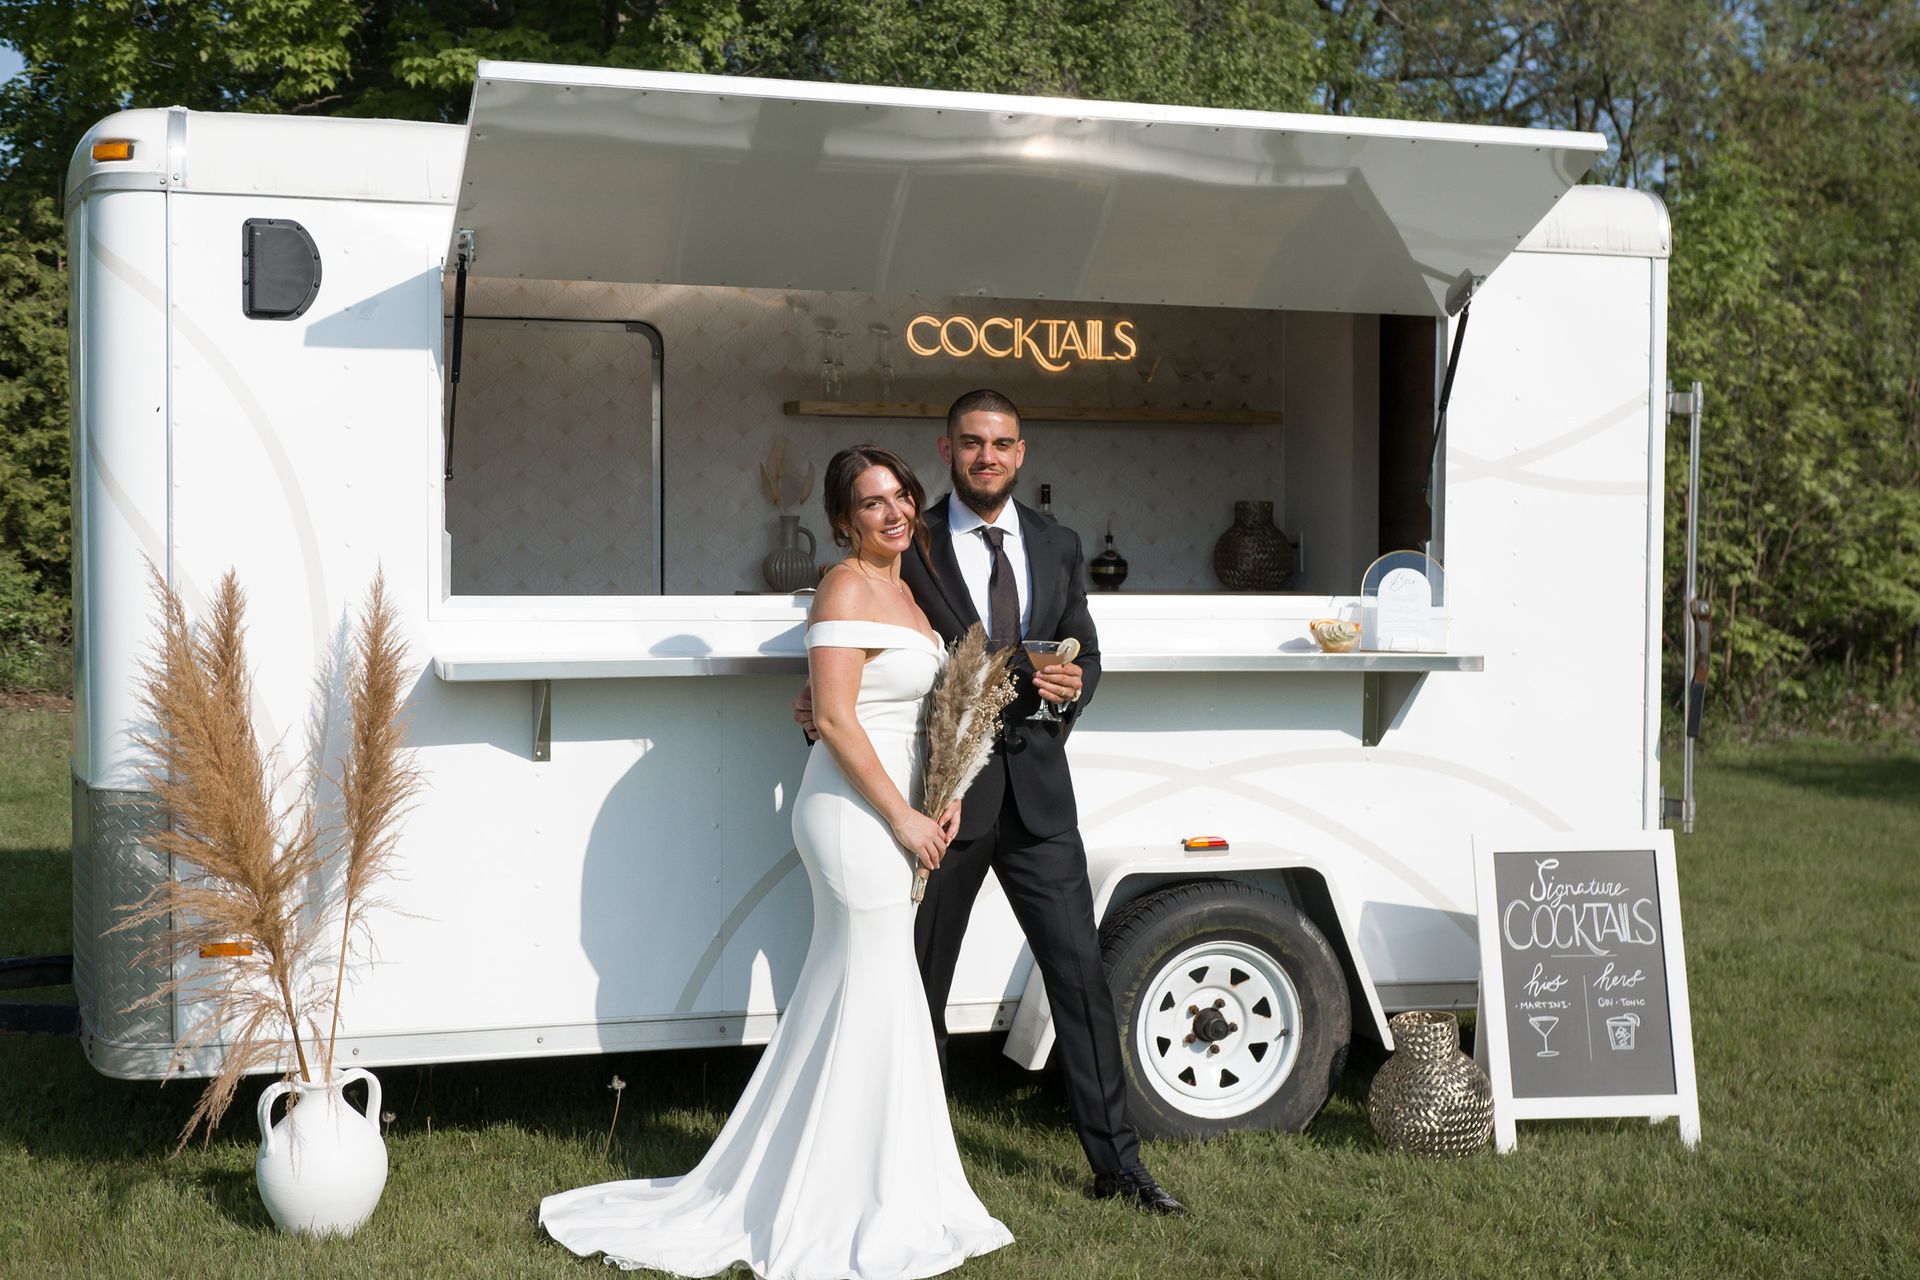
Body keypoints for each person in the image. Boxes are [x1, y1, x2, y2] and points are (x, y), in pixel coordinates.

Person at [542, 446, 1013, 1278]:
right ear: (844, 521)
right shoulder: (842, 587)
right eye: (873, 504)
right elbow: (833, 719)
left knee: (862, 992)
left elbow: (925, 712)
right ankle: (843, 1199)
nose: (894, 512)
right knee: (875, 989)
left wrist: (948, 789)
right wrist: (902, 815)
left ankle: (879, 1181)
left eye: (901, 495)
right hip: (854, 818)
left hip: (903, 812)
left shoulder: (906, 592)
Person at [796, 390, 1187, 1216]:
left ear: (1022, 453)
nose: (987, 457)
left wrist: (1073, 686)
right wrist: (814, 704)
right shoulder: (910, 536)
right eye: (971, 443)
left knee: (1080, 980)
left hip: (1041, 800)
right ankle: (908, 1167)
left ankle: (1120, 1168)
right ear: (946, 450)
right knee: (916, 986)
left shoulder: (1059, 543)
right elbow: (858, 635)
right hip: (943, 805)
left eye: (1002, 444)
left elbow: (1089, 652)